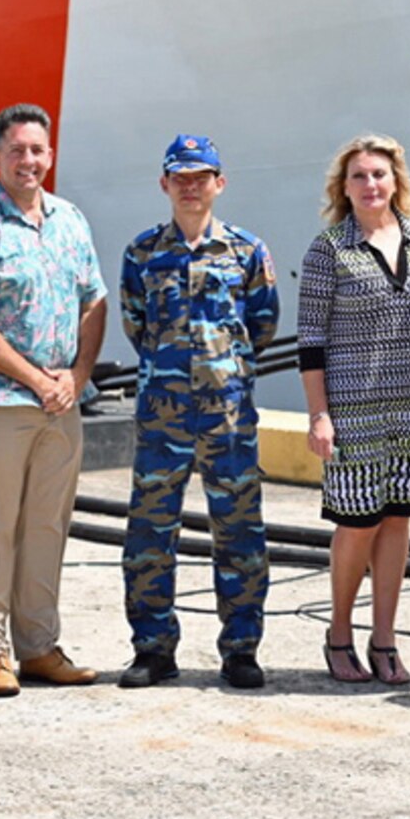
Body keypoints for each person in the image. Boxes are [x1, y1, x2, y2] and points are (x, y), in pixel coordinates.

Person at [0, 103, 108, 698]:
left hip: (61, 404)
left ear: (50, 155)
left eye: (37, 150)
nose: (28, 160)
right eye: (16, 151)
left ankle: (38, 646)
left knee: (45, 526)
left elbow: (94, 301)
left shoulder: (70, 221)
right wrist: (38, 379)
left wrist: (77, 376)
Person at [118, 134, 280, 690]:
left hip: (228, 417)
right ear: (165, 184)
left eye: (201, 176)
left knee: (238, 531)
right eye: (180, 177)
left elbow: (262, 324)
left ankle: (240, 649)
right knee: (150, 533)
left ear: (220, 182)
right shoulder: (142, 253)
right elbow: (136, 325)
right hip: (163, 416)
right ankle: (153, 649)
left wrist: (221, 372)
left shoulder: (246, 251)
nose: (191, 186)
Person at [298, 135, 410, 685]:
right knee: (357, 522)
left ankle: (384, 638)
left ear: (397, 182)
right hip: (352, 407)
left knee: (397, 518)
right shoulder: (329, 249)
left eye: (379, 175)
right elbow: (311, 340)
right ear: (343, 188)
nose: (371, 185)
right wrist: (318, 414)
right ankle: (338, 633)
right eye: (359, 176)